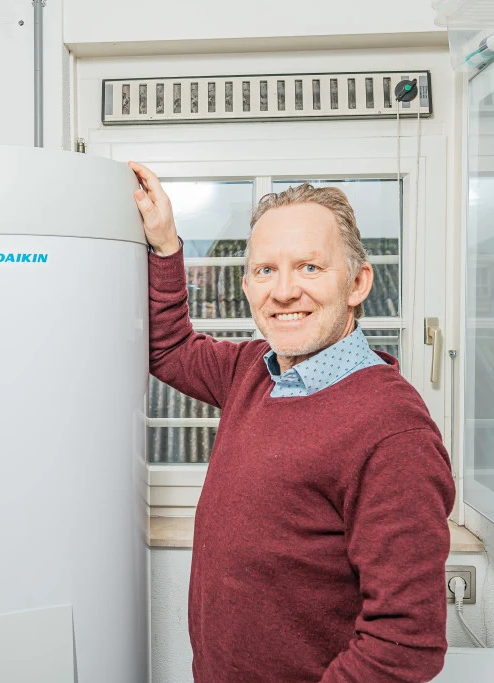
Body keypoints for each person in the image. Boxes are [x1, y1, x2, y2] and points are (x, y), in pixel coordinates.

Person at [130, 161, 456, 683]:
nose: (282, 292)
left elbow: (404, 644)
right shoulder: (252, 371)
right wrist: (166, 246)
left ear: (357, 282)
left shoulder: (394, 432)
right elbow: (169, 348)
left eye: (309, 267)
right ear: (247, 284)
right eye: (265, 270)